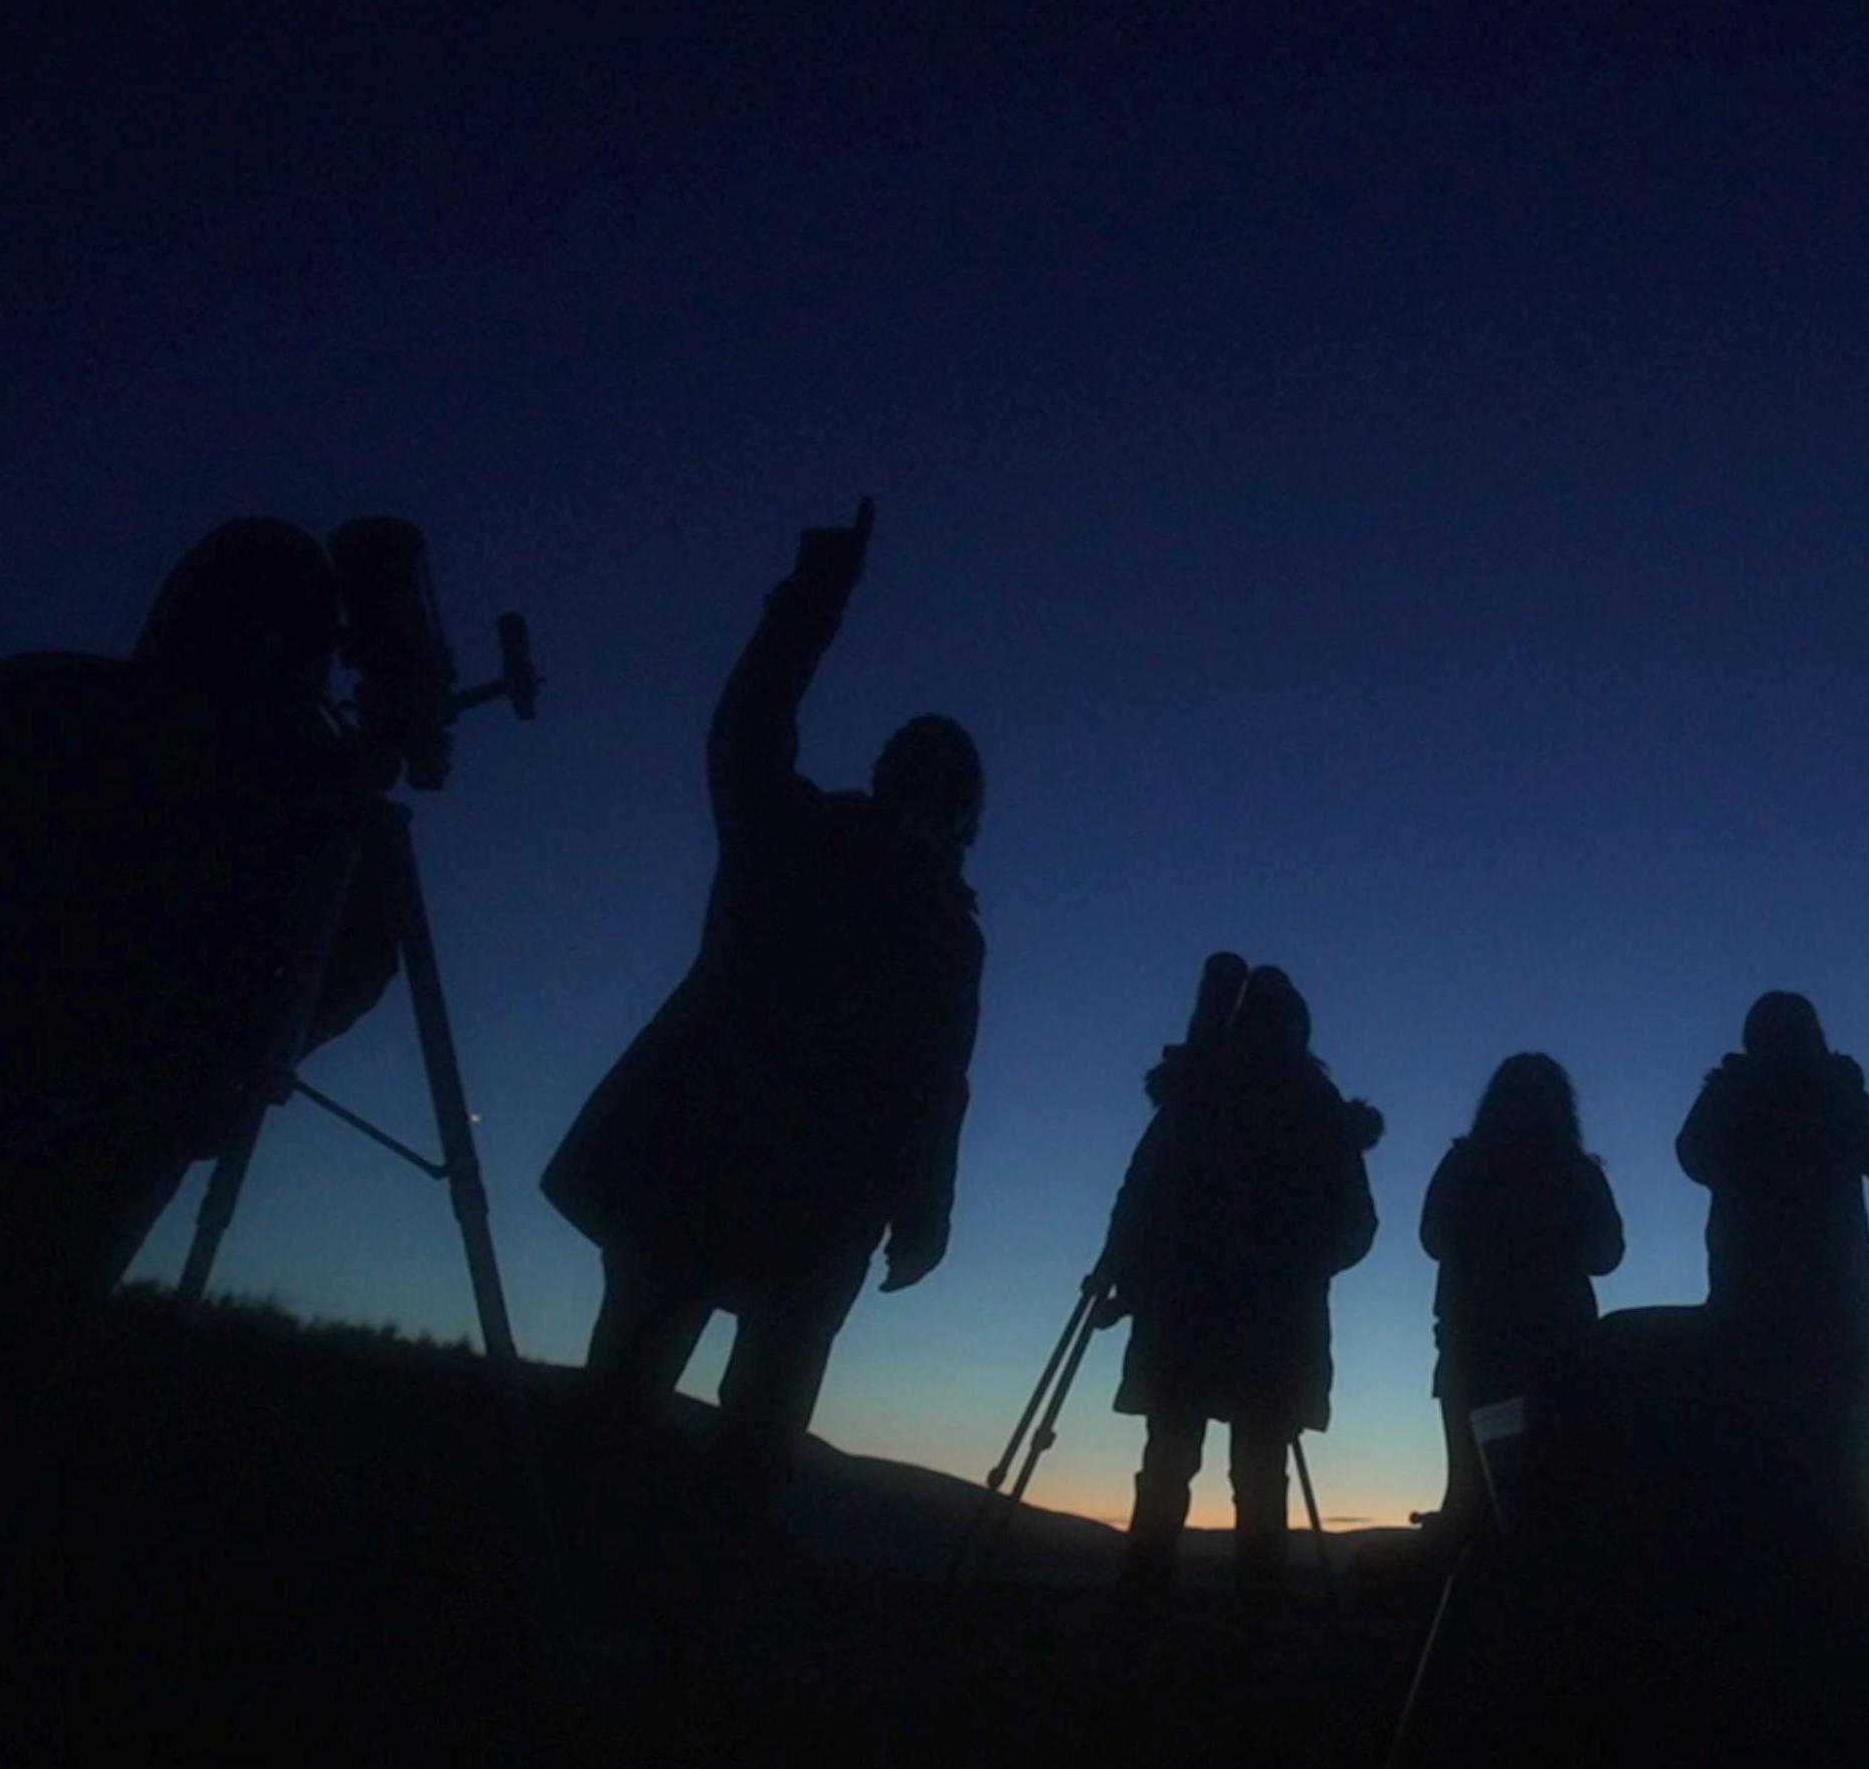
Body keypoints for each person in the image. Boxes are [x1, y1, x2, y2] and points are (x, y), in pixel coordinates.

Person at [0, 518, 407, 1330]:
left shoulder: (56, 698)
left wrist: (245, 1053)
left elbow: (359, 950)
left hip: (117, 1112)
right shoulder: (50, 701)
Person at [543, 501, 985, 1550]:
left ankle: (634, 1591)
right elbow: (937, 1081)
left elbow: (937, 1080)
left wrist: (925, 1206)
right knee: (674, 1399)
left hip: (750, 1176)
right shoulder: (815, 847)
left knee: (688, 1404)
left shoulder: (849, 871)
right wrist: (813, 601)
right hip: (745, 1170)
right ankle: (618, 1592)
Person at [1090, 965, 1380, 1616]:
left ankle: (1144, 1601)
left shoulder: (1195, 1099)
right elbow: (1357, 1227)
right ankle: (1258, 1613)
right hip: (1274, 1321)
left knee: (1169, 1456)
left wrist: (1123, 1279)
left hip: (1185, 1309)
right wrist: (1296, 1266)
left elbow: (1142, 1198)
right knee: (1256, 1466)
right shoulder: (1316, 1111)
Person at [1675, 991, 1869, 1529]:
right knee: (1847, 1435)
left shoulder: (1744, 1090)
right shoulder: (1815, 1087)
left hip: (1762, 1293)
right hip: (1820, 1296)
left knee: (1788, 1435)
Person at [1417, 1053, 1624, 1538]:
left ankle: (1469, 1605)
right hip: (1557, 1346)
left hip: (1476, 1344)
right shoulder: (1575, 1173)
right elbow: (1607, 1254)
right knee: (1553, 1495)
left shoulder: (1465, 1162)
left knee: (1471, 1493)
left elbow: (1433, 1238)